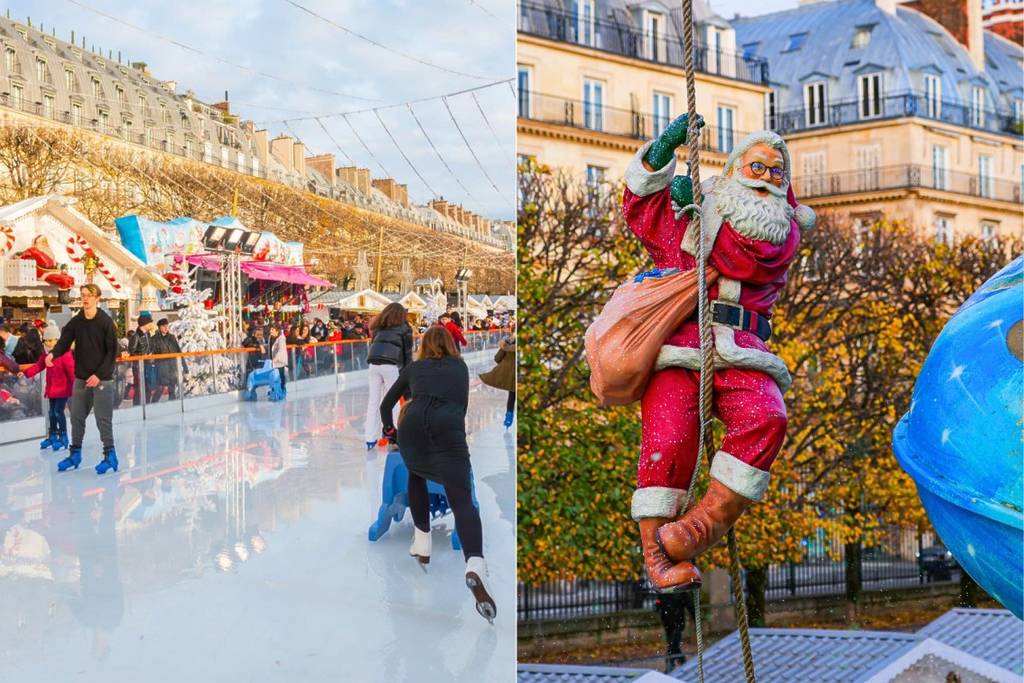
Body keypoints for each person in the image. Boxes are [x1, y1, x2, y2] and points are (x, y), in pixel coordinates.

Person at [622, 115, 815, 591]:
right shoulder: (700, 216)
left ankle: (702, 525)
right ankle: (656, 556)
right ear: (733, 171)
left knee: (767, 417)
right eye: (757, 167)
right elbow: (643, 214)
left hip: (742, 349)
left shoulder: (779, 233)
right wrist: (663, 152)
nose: (766, 178)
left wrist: (695, 218)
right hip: (682, 346)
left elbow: (761, 242)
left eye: (777, 171)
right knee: (668, 440)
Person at [379, 326, 496, 623]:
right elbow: (462, 407)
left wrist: (390, 431)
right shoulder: (460, 367)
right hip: (448, 429)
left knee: (416, 473)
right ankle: (475, 563)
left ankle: (422, 541)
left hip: (412, 428)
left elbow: (386, 404)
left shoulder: (414, 368)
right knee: (462, 500)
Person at [47, 283, 121, 474]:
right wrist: (53, 354)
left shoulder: (105, 322)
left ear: (97, 298)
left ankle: (110, 455)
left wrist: (99, 375)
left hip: (102, 380)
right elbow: (64, 341)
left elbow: (112, 352)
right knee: (77, 417)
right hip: (81, 378)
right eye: (83, 295)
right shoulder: (77, 321)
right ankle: (75, 454)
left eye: (89, 295)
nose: (85, 298)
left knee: (103, 419)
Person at [364, 303, 413, 450]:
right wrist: (408, 375)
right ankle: (396, 434)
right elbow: (407, 354)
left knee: (373, 401)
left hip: (373, 364)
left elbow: (373, 347)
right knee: (394, 401)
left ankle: (370, 438)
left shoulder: (379, 327)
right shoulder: (405, 328)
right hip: (391, 365)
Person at [21, 320, 75, 451]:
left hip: (62, 389)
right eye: (46, 341)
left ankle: (63, 437)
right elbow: (39, 366)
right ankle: (53, 435)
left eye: (51, 340)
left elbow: (72, 372)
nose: (48, 343)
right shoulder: (46, 355)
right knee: (51, 413)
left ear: (58, 340)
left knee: (58, 412)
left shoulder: (65, 354)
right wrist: (26, 373)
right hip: (51, 389)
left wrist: (76, 388)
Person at [479, 325, 516, 429]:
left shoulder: (507, 344)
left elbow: (497, 359)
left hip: (510, 376)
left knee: (512, 396)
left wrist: (504, 347)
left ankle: (508, 419)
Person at [127, 313, 157, 405]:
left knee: (148, 387)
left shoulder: (148, 334)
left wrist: (150, 353)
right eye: (150, 323)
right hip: (138, 366)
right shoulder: (136, 336)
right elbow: (131, 350)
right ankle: (137, 406)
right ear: (145, 324)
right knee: (139, 388)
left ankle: (147, 405)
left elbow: (150, 347)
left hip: (147, 364)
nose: (151, 324)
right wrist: (141, 356)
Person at [150, 319, 182, 401]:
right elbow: (151, 353)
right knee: (159, 389)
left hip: (172, 367)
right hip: (161, 368)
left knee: (172, 390)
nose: (166, 328)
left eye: (167, 326)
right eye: (163, 326)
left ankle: (173, 405)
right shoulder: (154, 339)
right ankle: (153, 405)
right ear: (159, 327)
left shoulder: (172, 337)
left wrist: (184, 367)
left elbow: (178, 351)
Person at [268, 323, 288, 395]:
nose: (270, 331)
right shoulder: (270, 337)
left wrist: (274, 360)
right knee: (273, 377)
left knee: (281, 376)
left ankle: (282, 389)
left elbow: (281, 351)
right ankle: (274, 390)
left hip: (280, 362)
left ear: (277, 330)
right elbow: (270, 348)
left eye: (272, 329)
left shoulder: (281, 338)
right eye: (270, 329)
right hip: (272, 362)